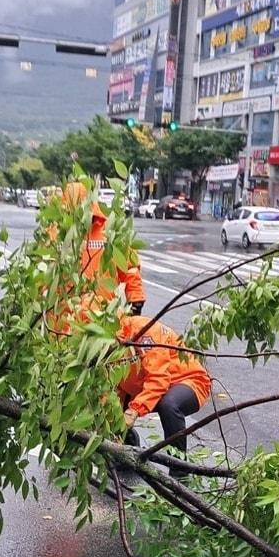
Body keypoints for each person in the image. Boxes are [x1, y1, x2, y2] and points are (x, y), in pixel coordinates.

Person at [115, 315, 212, 463]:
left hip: (187, 381)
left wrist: (135, 409)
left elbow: (158, 379)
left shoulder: (145, 332)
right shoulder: (106, 348)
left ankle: (179, 469)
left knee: (169, 405)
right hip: (145, 385)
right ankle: (127, 448)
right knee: (112, 410)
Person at [61, 181, 145, 313]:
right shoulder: (59, 234)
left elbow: (129, 268)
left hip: (101, 314)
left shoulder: (110, 234)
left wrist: (136, 301)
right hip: (67, 318)